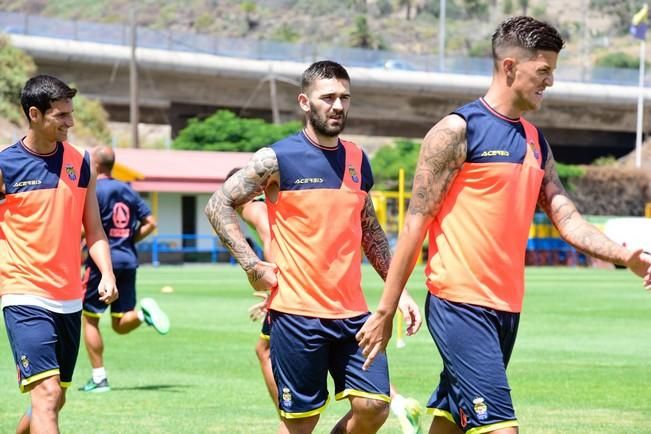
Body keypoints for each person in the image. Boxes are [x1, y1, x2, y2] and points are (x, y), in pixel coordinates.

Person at [356, 16, 651, 434]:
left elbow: (567, 218)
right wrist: (385, 308)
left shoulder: (535, 140)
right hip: (459, 304)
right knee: (501, 429)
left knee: (451, 423)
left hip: (506, 309)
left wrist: (624, 256)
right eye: (543, 71)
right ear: (510, 67)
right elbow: (414, 226)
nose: (550, 81)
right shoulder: (457, 131)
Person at [206, 60, 422, 434]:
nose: (337, 106)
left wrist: (397, 290)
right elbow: (218, 204)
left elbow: (369, 229)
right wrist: (253, 266)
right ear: (305, 102)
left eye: (344, 97)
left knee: (373, 407)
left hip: (354, 315)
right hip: (296, 315)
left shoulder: (357, 158)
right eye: (328, 98)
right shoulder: (275, 158)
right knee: (300, 424)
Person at [227, 167, 425, 434]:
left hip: (299, 303)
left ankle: (288, 413)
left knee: (266, 356)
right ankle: (397, 400)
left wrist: (275, 285)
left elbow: (271, 240)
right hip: (321, 297)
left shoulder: (254, 209)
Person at [0, 75, 118, 434]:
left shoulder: (81, 163)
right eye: (61, 116)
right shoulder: (5, 165)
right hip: (22, 292)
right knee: (47, 394)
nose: (70, 122)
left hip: (69, 297)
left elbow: (93, 229)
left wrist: (107, 274)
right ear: (34, 114)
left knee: (54, 398)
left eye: (71, 114)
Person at [79, 146, 170, 393]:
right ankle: (143, 315)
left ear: (95, 165)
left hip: (102, 261)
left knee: (90, 318)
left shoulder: (94, 190)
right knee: (120, 324)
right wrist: (128, 241)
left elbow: (86, 228)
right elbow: (151, 222)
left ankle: (99, 379)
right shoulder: (127, 190)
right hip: (128, 259)